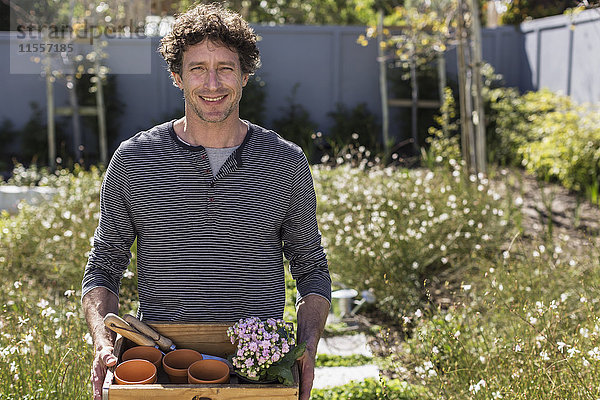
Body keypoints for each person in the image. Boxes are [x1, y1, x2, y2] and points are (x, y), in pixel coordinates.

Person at [81, 3, 331, 400]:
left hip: (259, 375)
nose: (212, 83)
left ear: (245, 75)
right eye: (198, 68)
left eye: (225, 68)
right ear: (177, 77)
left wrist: (307, 348)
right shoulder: (134, 161)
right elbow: (103, 267)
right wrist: (101, 342)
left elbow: (312, 269)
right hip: (165, 370)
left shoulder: (285, 162)